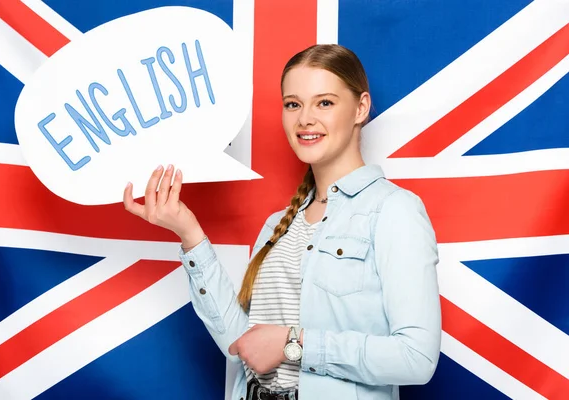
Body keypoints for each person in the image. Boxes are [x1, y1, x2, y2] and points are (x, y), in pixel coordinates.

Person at [123, 44, 441, 400]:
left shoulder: (394, 211)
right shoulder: (279, 225)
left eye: (325, 102)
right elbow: (241, 343)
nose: (305, 118)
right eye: (293, 104)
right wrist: (189, 234)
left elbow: (416, 357)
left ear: (360, 108)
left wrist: (295, 343)